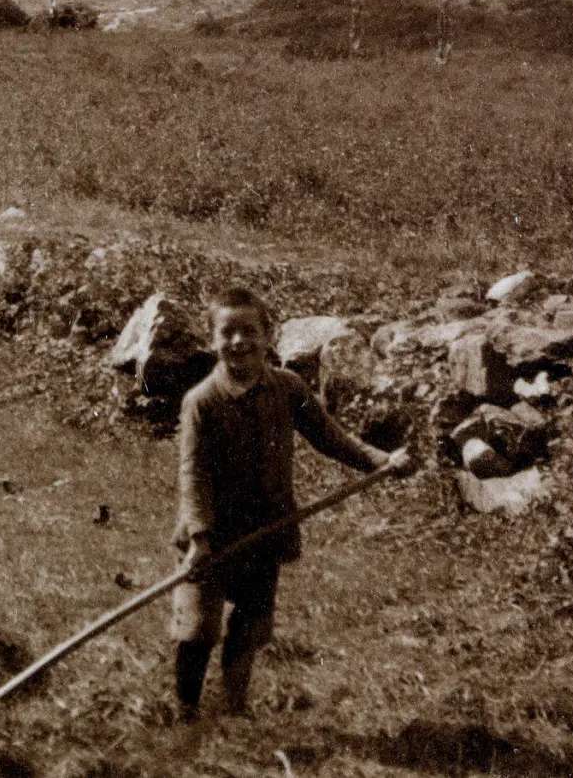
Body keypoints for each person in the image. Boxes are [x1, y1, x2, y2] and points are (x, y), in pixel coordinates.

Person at [170, 285, 408, 722]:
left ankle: (235, 708)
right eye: (228, 332)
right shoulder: (201, 402)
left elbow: (329, 436)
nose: (239, 341)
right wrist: (200, 537)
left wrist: (379, 460)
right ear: (212, 340)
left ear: (269, 335)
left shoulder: (287, 388)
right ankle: (186, 707)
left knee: (250, 624)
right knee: (199, 628)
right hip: (211, 537)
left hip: (266, 530)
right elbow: (193, 475)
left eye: (250, 331)